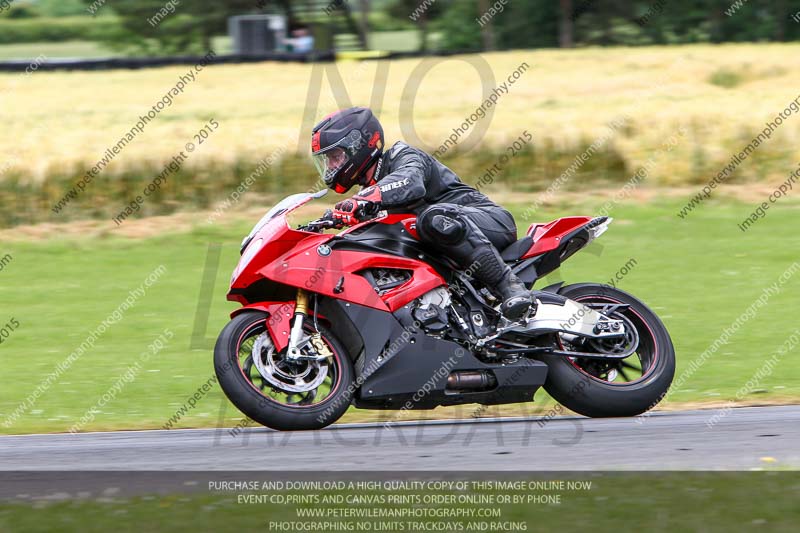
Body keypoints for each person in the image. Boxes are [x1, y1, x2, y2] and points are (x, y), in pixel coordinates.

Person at [310, 107, 533, 320]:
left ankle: (511, 288)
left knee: (431, 219)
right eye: (328, 160)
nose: (331, 166)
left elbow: (409, 183)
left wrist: (360, 201)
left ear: (357, 146)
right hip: (448, 250)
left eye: (335, 156)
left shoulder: (403, 156)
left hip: (490, 222)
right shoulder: (367, 198)